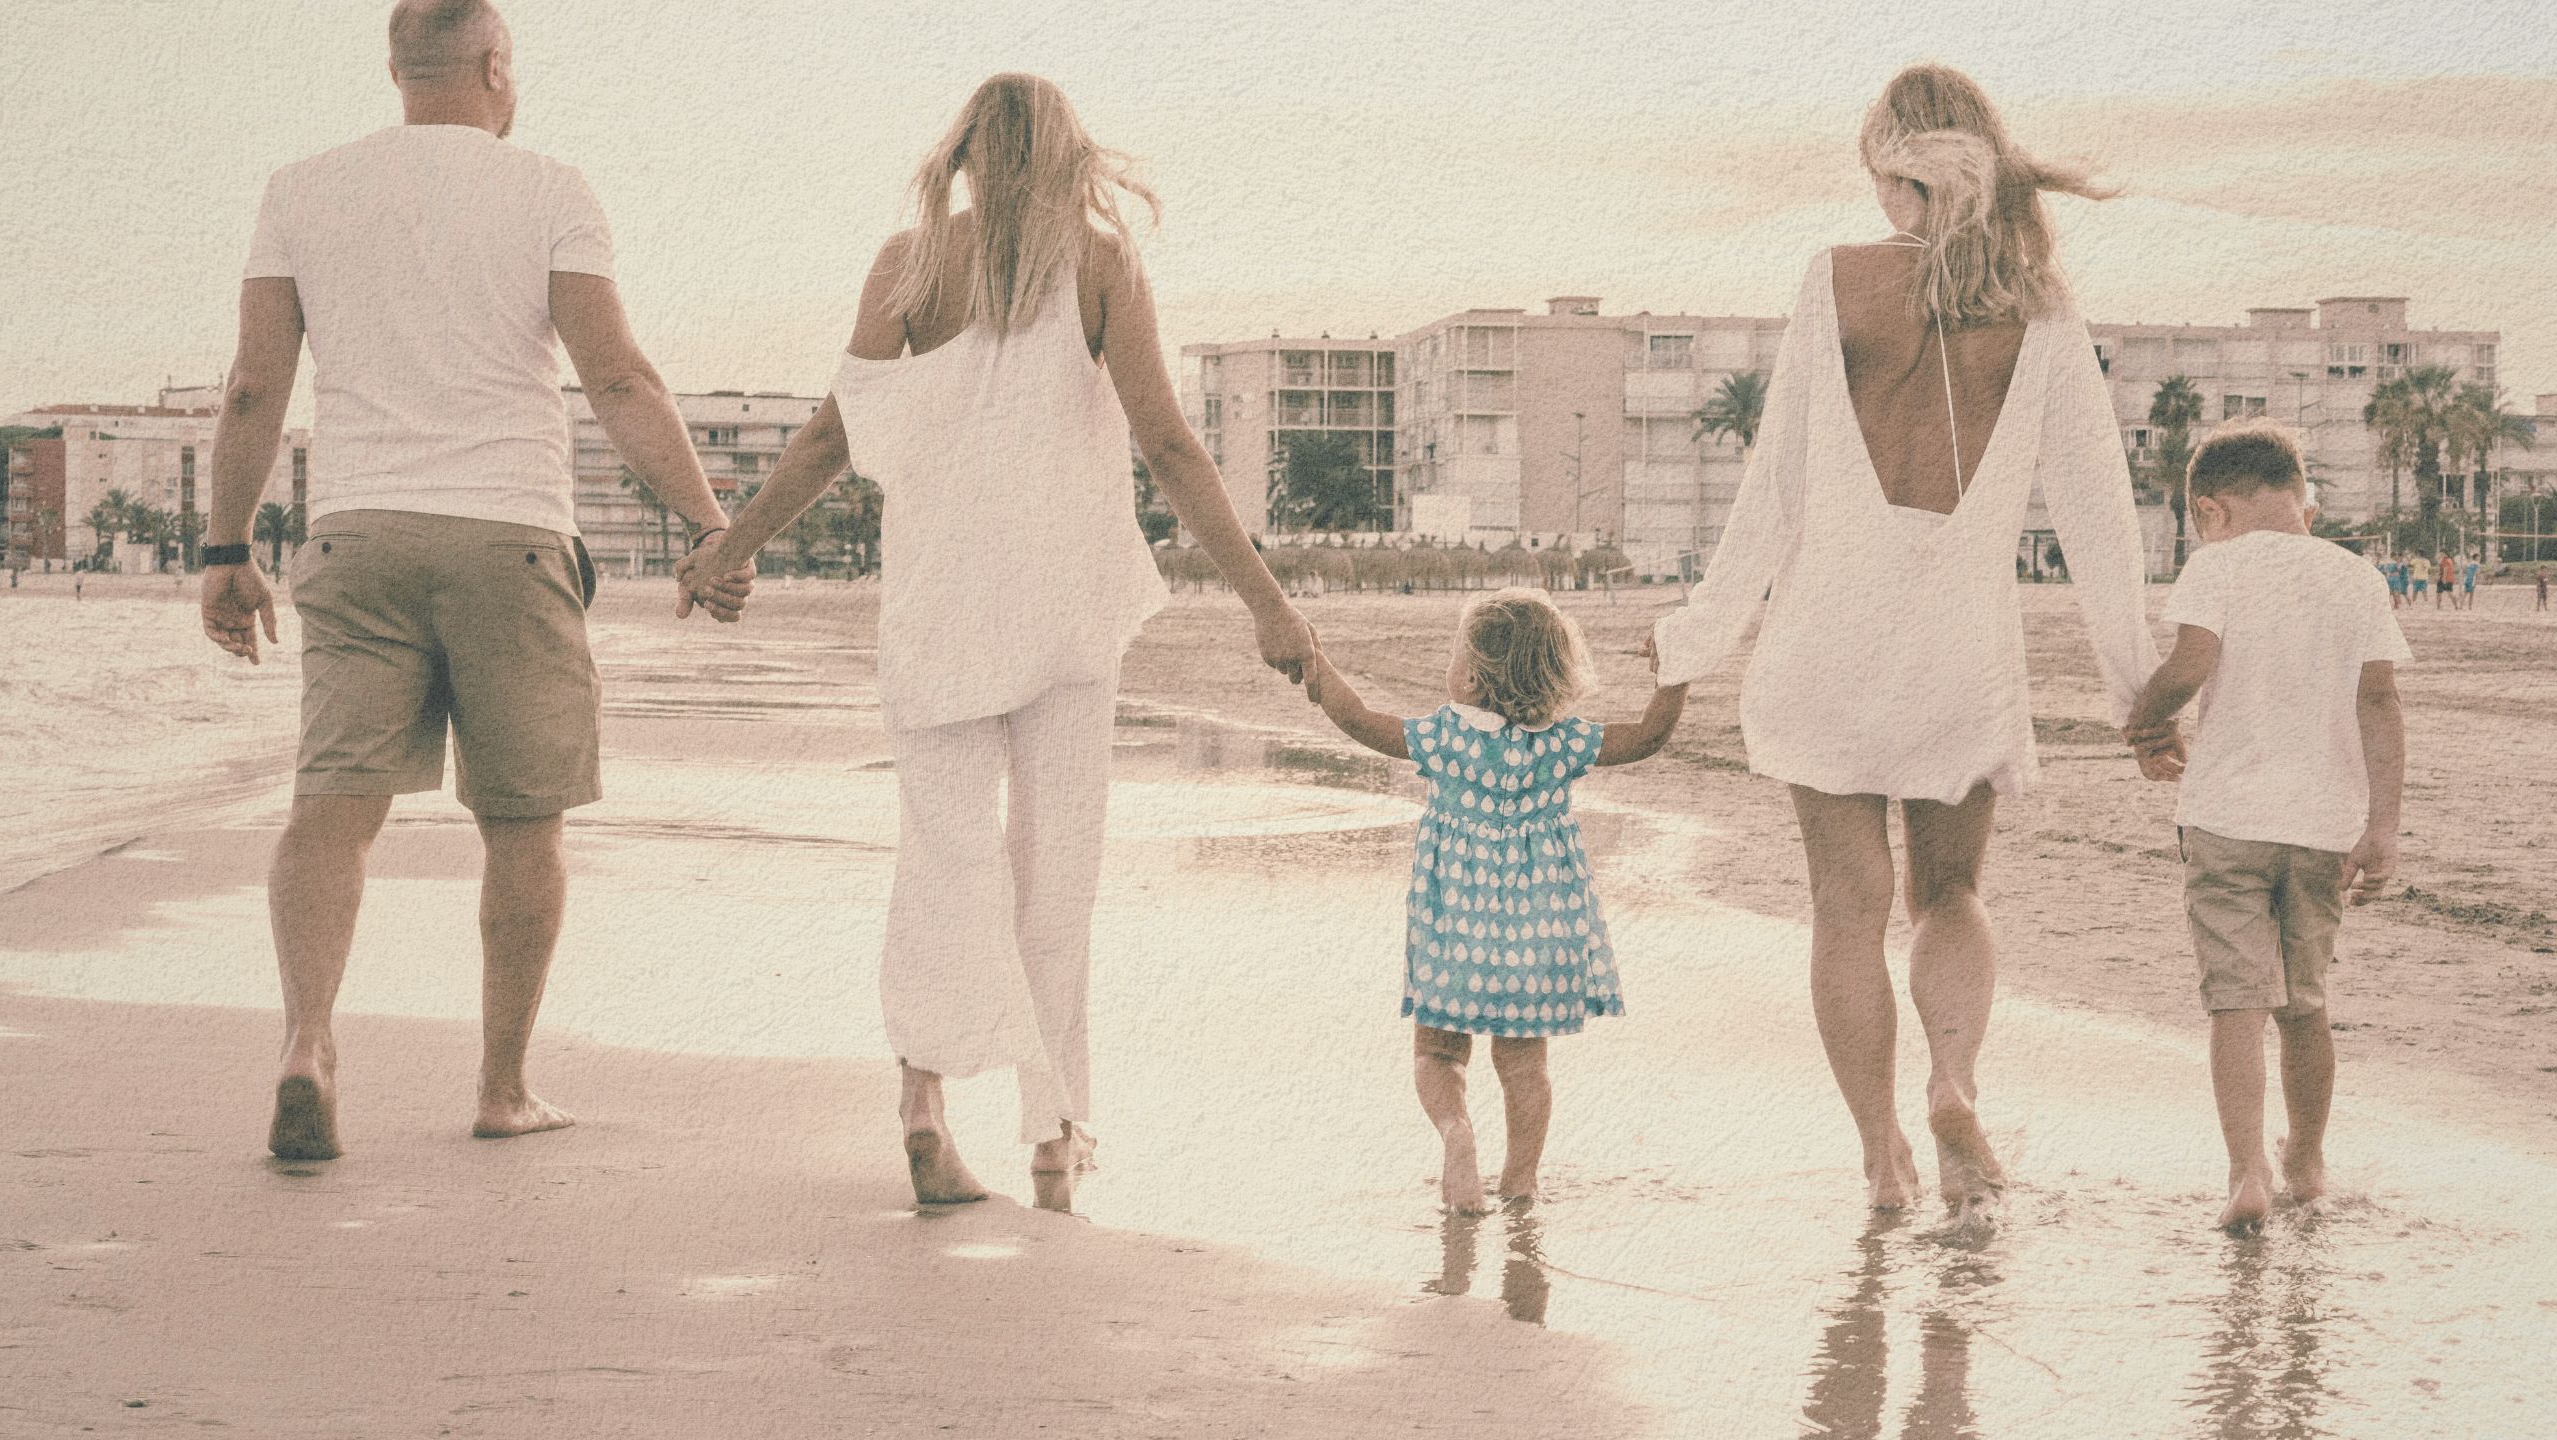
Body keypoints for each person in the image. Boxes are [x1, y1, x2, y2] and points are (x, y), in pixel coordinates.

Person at [676, 74, 1315, 1208]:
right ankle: (1056, 1131)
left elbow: (832, 436)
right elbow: (1168, 442)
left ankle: (923, 1103)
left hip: (937, 609)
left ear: (965, 155)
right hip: (1066, 611)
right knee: (1055, 871)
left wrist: (735, 546)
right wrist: (1266, 603)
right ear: (1071, 157)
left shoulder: (908, 265)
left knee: (945, 857)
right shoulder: (1100, 260)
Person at [198, 0, 736, 1160]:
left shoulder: (300, 188)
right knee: (521, 823)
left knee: (330, 812)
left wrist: (225, 549)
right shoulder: (548, 186)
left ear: (396, 71)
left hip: (358, 535)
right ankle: (500, 1087)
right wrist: (706, 523)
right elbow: (619, 381)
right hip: (510, 540)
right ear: (497, 68)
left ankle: (306, 1043)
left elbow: (253, 386)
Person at [1649, 64, 2158, 1214]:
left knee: (1845, 907)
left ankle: (1881, 1157)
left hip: (1826, 638)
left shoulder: (1833, 281)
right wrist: (2138, 688)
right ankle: (1953, 1080)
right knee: (1950, 894)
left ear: (1893, 175)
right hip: (1957, 653)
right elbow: (2096, 513)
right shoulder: (2042, 305)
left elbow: (1772, 487)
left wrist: (1693, 640)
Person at [1297, 590, 1688, 1212]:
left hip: (1456, 922)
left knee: (1438, 1050)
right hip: (1541, 927)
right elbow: (1646, 738)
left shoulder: (1444, 738)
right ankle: (1522, 1180)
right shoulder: (1563, 743)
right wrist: (1675, 674)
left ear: (1474, 676)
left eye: (1455, 654)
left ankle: (1457, 1136)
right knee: (1525, 1065)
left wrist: (1314, 664)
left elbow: (1359, 719)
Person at [2122, 423, 2407, 1236]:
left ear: (2212, 511)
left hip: (2226, 820)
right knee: (2305, 1000)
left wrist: (2147, 728)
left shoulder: (2217, 564)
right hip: (2323, 825)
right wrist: (2383, 825)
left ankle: (2247, 1173)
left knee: (2235, 1005)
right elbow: (2380, 701)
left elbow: (2188, 666)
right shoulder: (2357, 577)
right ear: (2300, 498)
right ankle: (2308, 1162)